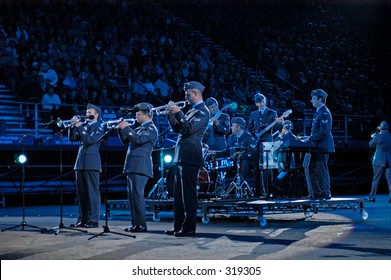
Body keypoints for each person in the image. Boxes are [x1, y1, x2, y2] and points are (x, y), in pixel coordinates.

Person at [164, 81, 210, 237]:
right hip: (181, 155)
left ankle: (189, 228)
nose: (185, 97)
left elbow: (189, 129)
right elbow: (178, 129)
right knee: (178, 194)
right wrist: (171, 115)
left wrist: (178, 112)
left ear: (196, 94)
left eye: (188, 94)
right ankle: (178, 226)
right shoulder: (191, 111)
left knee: (188, 195)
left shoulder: (203, 111)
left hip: (191, 156)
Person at [117, 103, 158, 232]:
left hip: (140, 166)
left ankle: (141, 224)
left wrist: (127, 128)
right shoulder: (140, 128)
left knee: (137, 196)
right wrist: (121, 129)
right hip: (132, 166)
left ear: (147, 115)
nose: (136, 116)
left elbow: (138, 140)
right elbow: (126, 141)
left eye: (139, 114)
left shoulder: (151, 128)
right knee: (132, 197)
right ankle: (135, 223)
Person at [68, 103, 104, 228]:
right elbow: (73, 138)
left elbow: (90, 140)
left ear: (96, 115)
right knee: (81, 194)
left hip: (92, 163)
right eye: (87, 112)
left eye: (90, 113)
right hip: (80, 163)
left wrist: (79, 126)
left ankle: (93, 220)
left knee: (92, 193)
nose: (87, 114)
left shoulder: (99, 127)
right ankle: (82, 220)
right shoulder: (83, 126)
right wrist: (72, 127)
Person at [247, 92, 282, 196]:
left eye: (262, 102)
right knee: (257, 168)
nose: (261, 104)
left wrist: (279, 122)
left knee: (268, 168)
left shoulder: (272, 113)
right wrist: (253, 134)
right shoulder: (253, 114)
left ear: (265, 102)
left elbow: (277, 128)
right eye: (258, 102)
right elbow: (249, 127)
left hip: (269, 142)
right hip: (257, 142)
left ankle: (268, 192)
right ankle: (258, 192)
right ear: (256, 103)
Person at [303, 89, 335, 200]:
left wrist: (309, 138)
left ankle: (325, 193)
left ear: (320, 99)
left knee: (321, 170)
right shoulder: (319, 112)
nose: (311, 100)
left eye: (314, 98)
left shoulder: (324, 112)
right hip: (316, 147)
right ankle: (317, 192)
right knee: (312, 169)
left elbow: (324, 131)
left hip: (322, 146)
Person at [365, 121, 391, 203]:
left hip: (379, 160)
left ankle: (372, 197)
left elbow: (370, 145)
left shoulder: (377, 136)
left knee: (376, 179)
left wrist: (374, 137)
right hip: (389, 160)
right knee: (390, 180)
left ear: (380, 128)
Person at [225, 117, 257, 182]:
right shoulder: (230, 137)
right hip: (231, 161)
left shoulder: (249, 137)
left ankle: (241, 185)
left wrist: (241, 155)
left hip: (244, 161)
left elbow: (252, 152)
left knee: (245, 163)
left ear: (238, 127)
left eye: (233, 126)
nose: (231, 127)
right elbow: (227, 151)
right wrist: (215, 153)